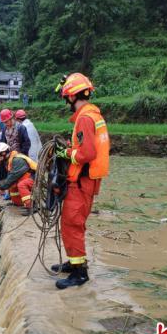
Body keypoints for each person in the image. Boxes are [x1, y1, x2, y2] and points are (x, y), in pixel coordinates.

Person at [52, 72, 110, 290]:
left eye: (66, 96)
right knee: (72, 224)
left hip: (81, 181)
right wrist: (71, 149)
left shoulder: (85, 118)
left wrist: (66, 153)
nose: (66, 101)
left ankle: (80, 273)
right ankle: (74, 262)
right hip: (87, 179)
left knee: (72, 225)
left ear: (72, 96)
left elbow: (85, 154)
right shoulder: (93, 116)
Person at [0, 142, 37, 216]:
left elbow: (12, 177)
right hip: (27, 178)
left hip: (35, 178)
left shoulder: (17, 160)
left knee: (21, 185)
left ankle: (32, 206)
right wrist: (0, 164)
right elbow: (1, 177)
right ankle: (19, 203)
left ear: (4, 153)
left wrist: (2, 188)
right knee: (13, 187)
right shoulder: (8, 160)